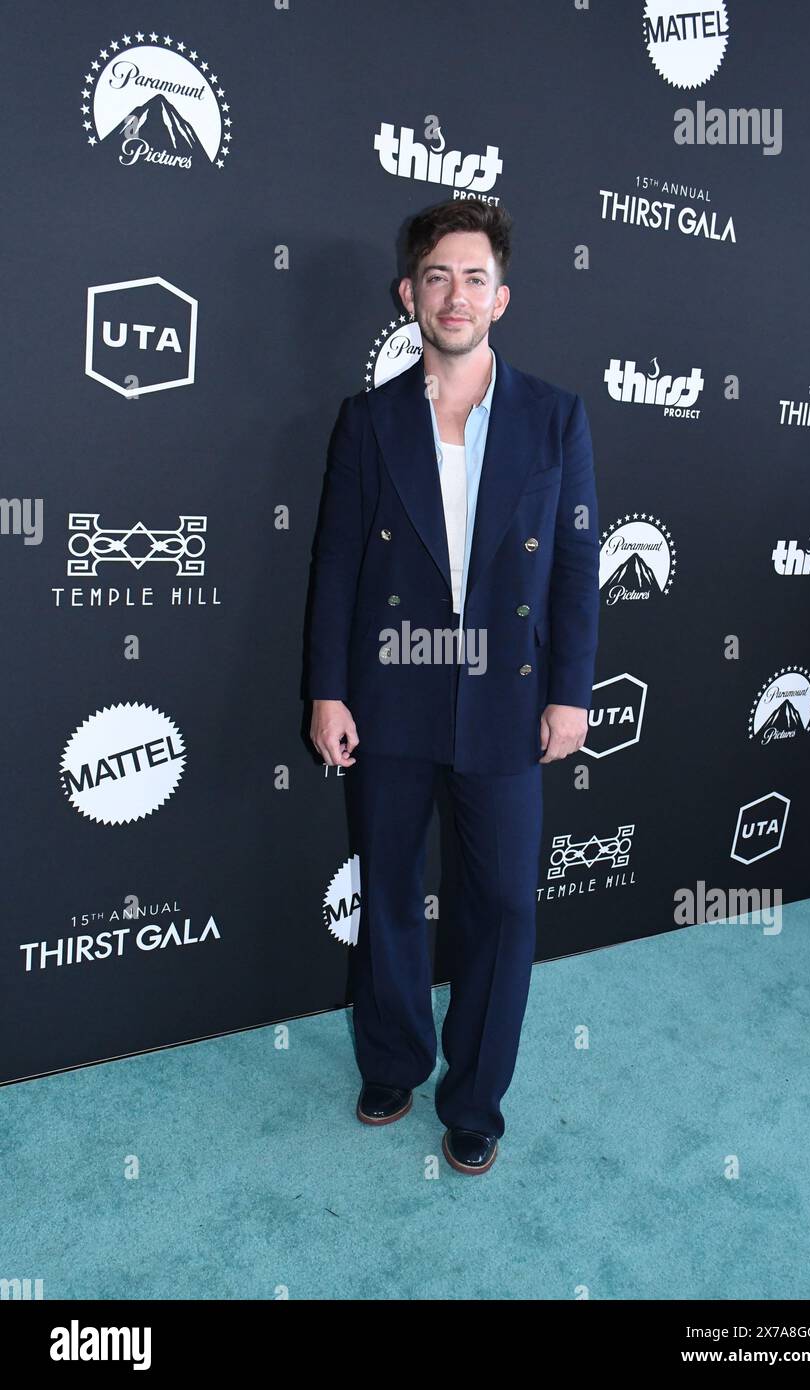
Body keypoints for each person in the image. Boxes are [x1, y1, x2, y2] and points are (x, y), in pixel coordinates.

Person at [306, 199, 600, 1173]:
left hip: (507, 701)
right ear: (409, 294)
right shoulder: (366, 422)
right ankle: (392, 1057)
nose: (455, 293)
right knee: (387, 888)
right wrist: (327, 688)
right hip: (389, 695)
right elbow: (337, 564)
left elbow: (570, 567)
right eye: (437, 275)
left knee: (503, 906)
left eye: (473, 277)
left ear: (500, 297)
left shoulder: (556, 418)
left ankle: (473, 1097)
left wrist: (570, 691)